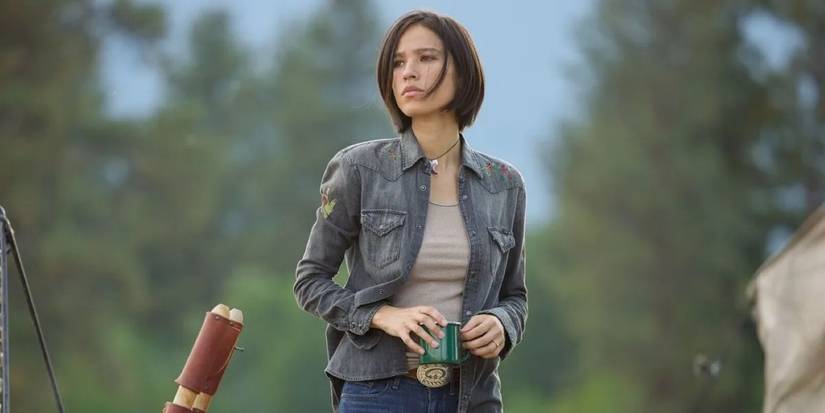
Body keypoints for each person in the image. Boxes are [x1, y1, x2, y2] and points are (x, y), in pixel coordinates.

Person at [294, 9, 527, 413]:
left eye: (426, 58)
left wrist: (503, 325)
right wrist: (383, 316)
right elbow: (310, 281)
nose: (408, 72)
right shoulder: (359, 169)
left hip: (473, 397)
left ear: (464, 71)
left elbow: (515, 297)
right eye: (398, 62)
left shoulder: (503, 184)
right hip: (378, 395)